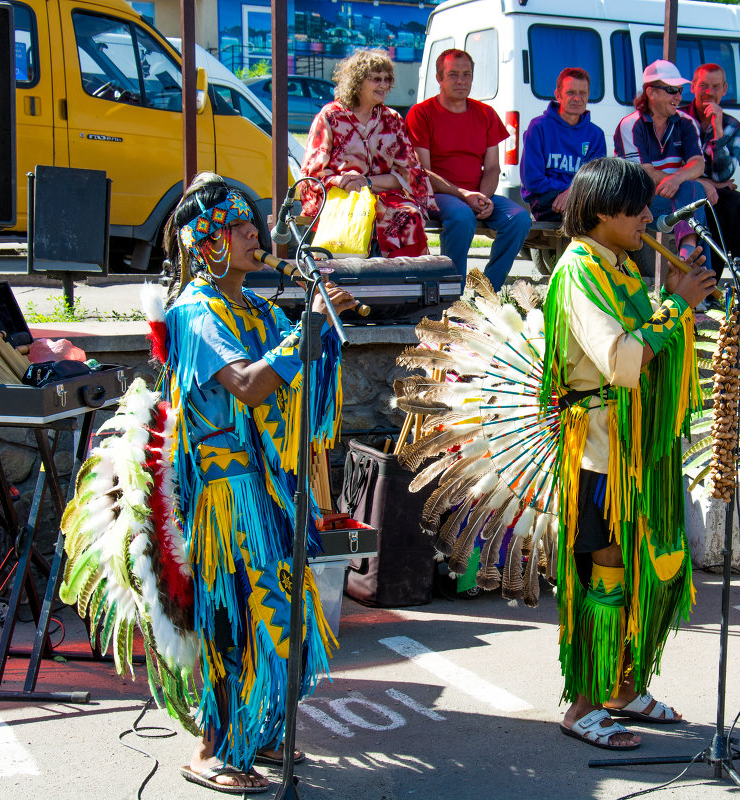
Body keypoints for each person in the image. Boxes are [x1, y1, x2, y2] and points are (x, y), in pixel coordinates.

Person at [161, 173, 356, 792]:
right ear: (206, 240)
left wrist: (320, 333)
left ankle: (260, 727)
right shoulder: (194, 310)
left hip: (273, 488)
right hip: (228, 496)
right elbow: (248, 384)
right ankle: (212, 747)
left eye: (255, 226)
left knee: (282, 616)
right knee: (236, 618)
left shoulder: (258, 308)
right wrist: (306, 333)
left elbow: (305, 394)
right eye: (240, 228)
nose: (256, 236)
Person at [542, 157, 716, 749]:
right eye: (634, 208)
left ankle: (622, 686)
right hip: (599, 453)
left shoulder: (620, 268)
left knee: (647, 564)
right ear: (597, 214)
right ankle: (584, 705)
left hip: (639, 446)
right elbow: (620, 361)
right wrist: (678, 307)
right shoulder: (579, 271)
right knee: (607, 572)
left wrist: (674, 301)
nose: (647, 216)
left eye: (646, 205)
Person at [406, 48, 532, 288]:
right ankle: (451, 294)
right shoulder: (421, 113)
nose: (461, 80)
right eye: (453, 74)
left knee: (519, 219)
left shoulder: (485, 114)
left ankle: (488, 291)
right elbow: (422, 172)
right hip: (437, 194)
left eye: (467, 74)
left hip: (476, 194)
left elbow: (493, 167)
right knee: (462, 216)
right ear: (439, 78)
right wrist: (464, 195)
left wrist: (483, 198)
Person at [299, 49, 435, 258]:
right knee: (360, 218)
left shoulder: (392, 120)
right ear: (357, 81)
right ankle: (339, 285)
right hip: (341, 195)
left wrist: (367, 183)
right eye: (376, 79)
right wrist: (341, 181)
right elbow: (312, 173)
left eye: (387, 79)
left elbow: (408, 175)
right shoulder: (330, 116)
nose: (383, 85)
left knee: (409, 216)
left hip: (384, 195)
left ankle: (402, 285)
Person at [613, 60, 706, 259]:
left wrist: (678, 180)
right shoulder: (630, 124)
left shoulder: (687, 122)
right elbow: (644, 173)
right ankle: (691, 262)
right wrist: (680, 179)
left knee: (709, 199)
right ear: (651, 92)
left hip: (675, 200)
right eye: (671, 90)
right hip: (640, 203)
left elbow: (698, 163)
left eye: (680, 90)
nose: (679, 97)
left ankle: (688, 259)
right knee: (696, 193)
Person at [680, 62, 740, 279]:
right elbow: (679, 166)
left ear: (725, 89)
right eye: (704, 86)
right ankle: (710, 282)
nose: (709, 92)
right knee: (715, 201)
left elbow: (723, 174)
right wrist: (710, 184)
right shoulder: (680, 119)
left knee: (735, 201)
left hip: (714, 193)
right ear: (693, 87)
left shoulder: (732, 125)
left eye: (716, 87)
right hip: (686, 189)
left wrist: (717, 131)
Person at [520, 67, 607, 222]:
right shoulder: (538, 127)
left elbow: (596, 181)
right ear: (558, 95)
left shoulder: (595, 135)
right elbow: (532, 180)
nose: (577, 98)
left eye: (582, 93)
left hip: (580, 198)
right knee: (590, 216)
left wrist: (571, 194)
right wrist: (571, 192)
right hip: (546, 200)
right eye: (571, 92)